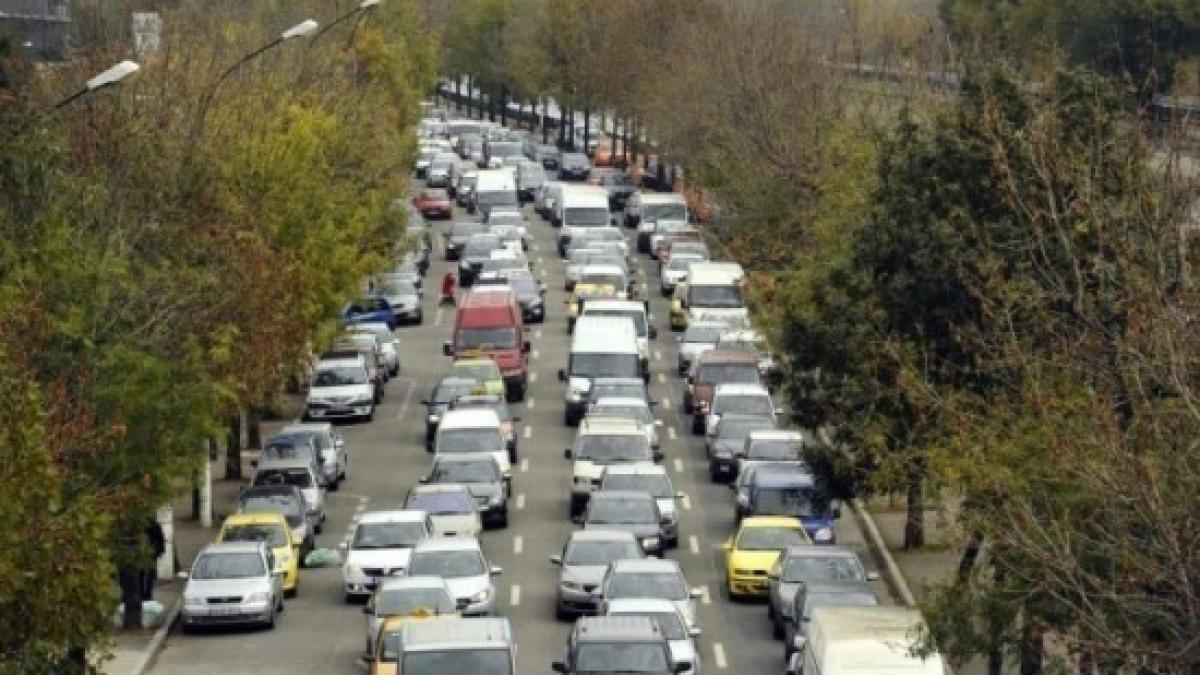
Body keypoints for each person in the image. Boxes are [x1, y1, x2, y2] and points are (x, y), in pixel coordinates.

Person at [141, 519, 165, 601]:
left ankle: (146, 596)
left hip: (150, 556)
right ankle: (145, 596)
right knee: (144, 576)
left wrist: (156, 552)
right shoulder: (154, 525)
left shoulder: (154, 526)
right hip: (142, 556)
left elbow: (160, 542)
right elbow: (161, 542)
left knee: (148, 576)